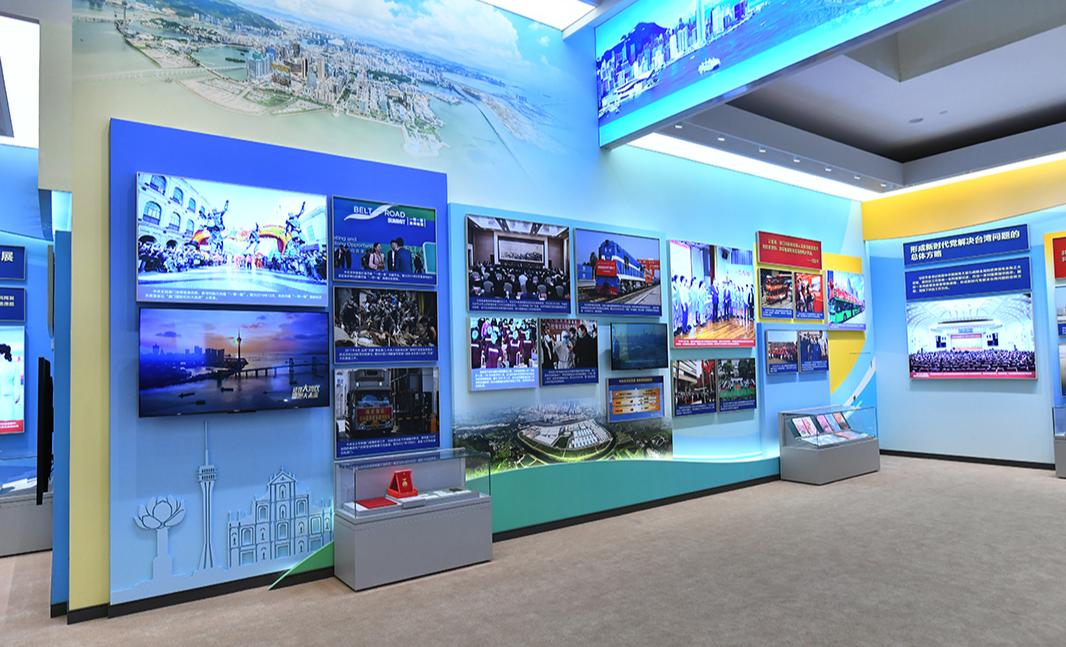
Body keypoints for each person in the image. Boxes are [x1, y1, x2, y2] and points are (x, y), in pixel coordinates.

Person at [0, 343, 20, 424]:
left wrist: (17, 395)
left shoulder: (13, 367)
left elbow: (17, 382)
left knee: (9, 419)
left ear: (3, 354)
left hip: (8, 396)